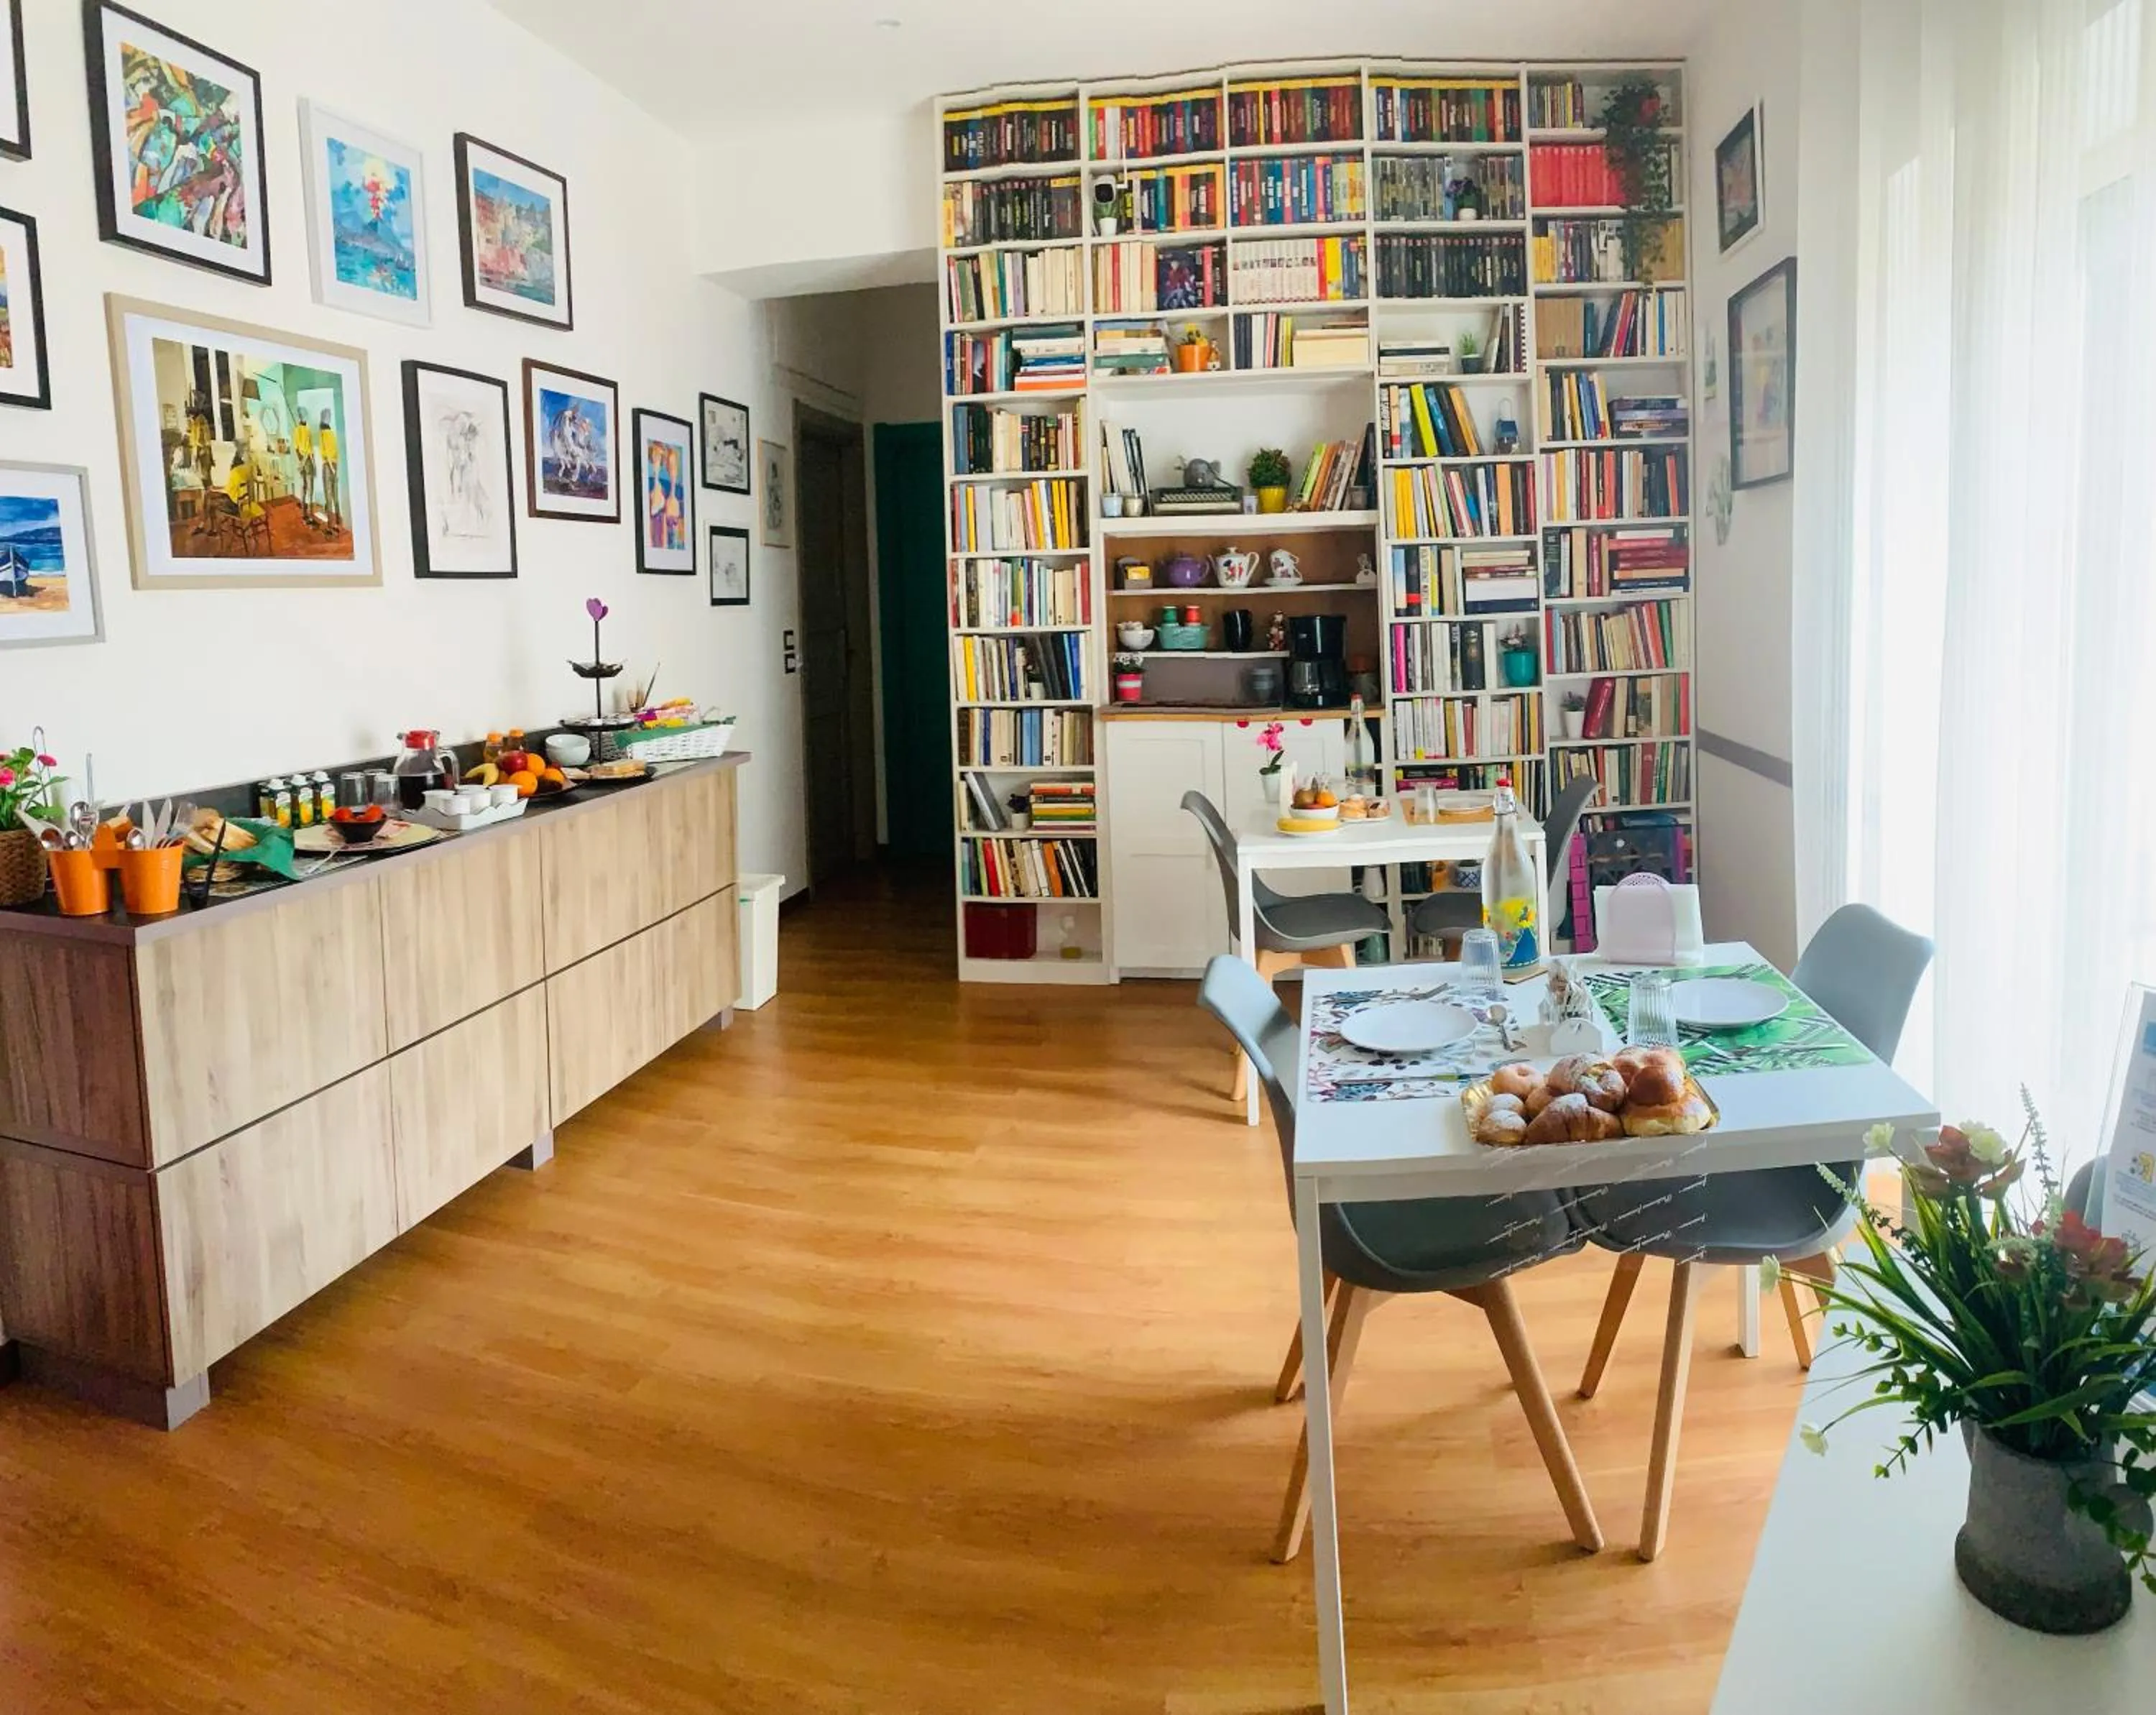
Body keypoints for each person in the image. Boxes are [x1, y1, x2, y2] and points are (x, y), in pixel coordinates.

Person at [316, 410, 341, 532]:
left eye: (329, 415)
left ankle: (333, 525)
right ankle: (336, 523)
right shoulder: (328, 433)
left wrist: (332, 468)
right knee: (333, 495)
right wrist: (334, 468)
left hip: (329, 467)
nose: (329, 417)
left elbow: (328, 453)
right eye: (327, 416)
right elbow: (329, 453)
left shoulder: (324, 434)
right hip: (331, 466)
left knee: (330, 496)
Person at [292, 410, 317, 526]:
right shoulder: (308, 431)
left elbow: (296, 449)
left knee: (304, 487)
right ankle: (311, 516)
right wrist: (314, 465)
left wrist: (300, 462)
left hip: (301, 461)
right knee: (310, 489)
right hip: (308, 461)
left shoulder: (296, 431)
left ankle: (304, 515)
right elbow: (311, 451)